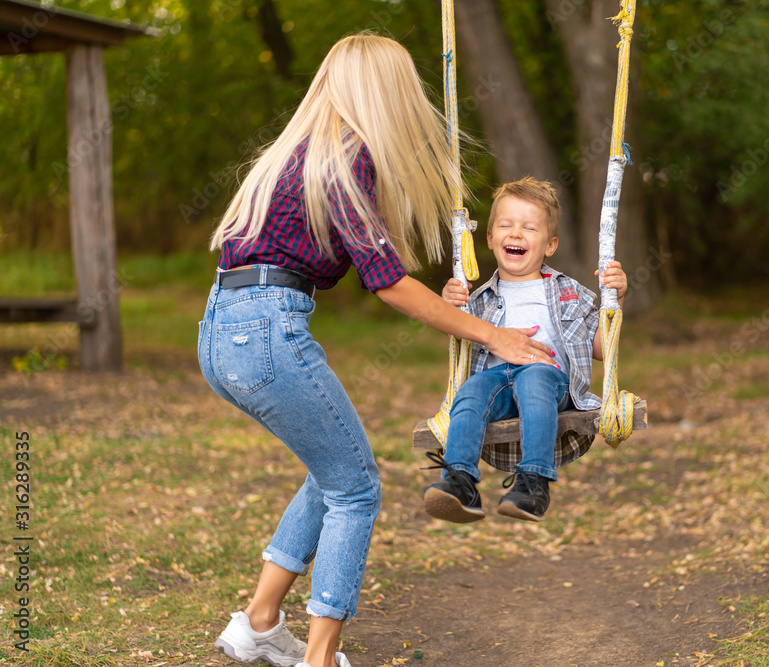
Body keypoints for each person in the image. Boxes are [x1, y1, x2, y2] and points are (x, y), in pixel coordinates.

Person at [198, 35, 556, 667]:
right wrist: (491, 334)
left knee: (331, 471)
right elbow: (387, 282)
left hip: (222, 328)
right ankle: (319, 658)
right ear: (386, 90)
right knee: (357, 487)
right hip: (265, 332)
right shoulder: (345, 157)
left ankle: (258, 622)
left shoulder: (301, 152)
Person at [422, 177, 627, 524]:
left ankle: (534, 482)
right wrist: (448, 306)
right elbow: (453, 331)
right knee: (470, 391)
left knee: (534, 378)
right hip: (497, 382)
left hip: (550, 381)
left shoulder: (569, 292)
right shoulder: (478, 300)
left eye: (529, 227)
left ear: (550, 245)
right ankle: (460, 482)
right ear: (489, 238)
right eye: (506, 225)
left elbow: (601, 349)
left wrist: (616, 299)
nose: (516, 233)